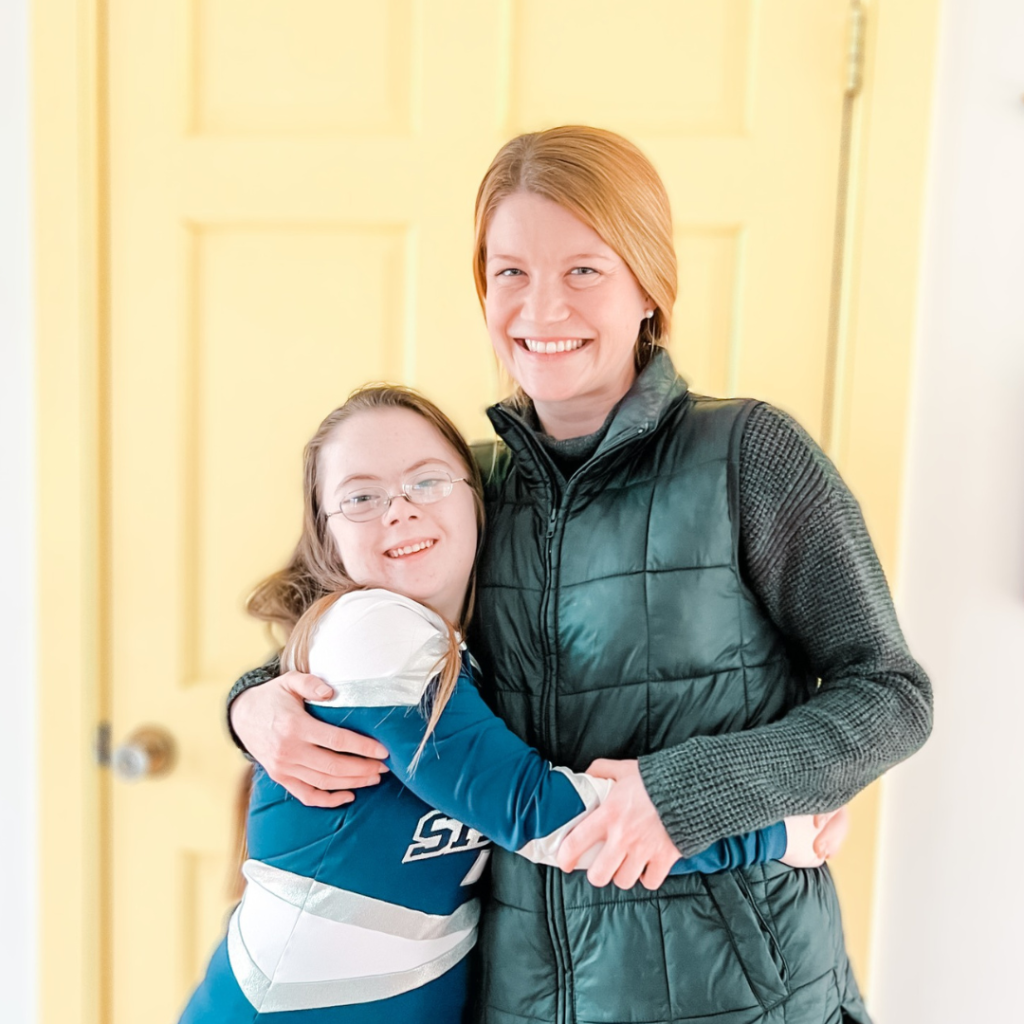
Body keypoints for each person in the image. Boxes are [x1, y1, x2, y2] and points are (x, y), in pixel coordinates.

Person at [227, 128, 932, 1024]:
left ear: (648, 287)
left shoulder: (748, 456)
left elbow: (892, 694)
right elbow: (341, 630)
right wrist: (254, 703)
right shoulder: (464, 486)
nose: (541, 309)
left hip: (745, 996)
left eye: (584, 272)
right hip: (522, 994)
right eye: (510, 272)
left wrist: (693, 793)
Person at [181, 385, 833, 1023]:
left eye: (427, 481)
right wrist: (773, 830)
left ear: (477, 500)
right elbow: (539, 814)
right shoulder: (370, 631)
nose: (400, 510)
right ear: (325, 537)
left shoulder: (468, 645)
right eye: (360, 497)